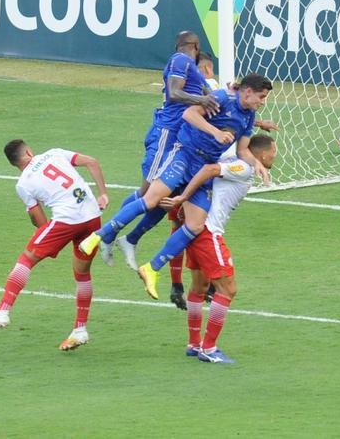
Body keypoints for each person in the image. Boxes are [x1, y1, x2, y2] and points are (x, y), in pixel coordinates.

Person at [80, 73, 273, 299]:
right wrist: (215, 132)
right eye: (261, 96)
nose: (263, 101)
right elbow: (189, 113)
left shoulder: (249, 117)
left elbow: (242, 150)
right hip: (184, 155)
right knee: (151, 200)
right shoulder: (222, 98)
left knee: (195, 225)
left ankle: (151, 268)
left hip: (204, 165)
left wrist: (257, 163)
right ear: (247, 91)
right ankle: (98, 236)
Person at [0, 140, 110, 352]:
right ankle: (80, 330)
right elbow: (92, 162)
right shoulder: (55, 153)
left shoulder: (23, 184)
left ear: (14, 163)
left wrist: (51, 238)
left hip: (67, 219)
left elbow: (40, 220)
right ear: (29, 151)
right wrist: (103, 194)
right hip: (93, 216)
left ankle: (2, 312)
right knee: (82, 273)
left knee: (27, 258)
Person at [110, 31, 220, 276]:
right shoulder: (182, 62)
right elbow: (174, 93)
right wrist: (203, 99)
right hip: (167, 135)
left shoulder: (192, 71)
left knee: (162, 201)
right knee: (148, 194)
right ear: (196, 46)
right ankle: (110, 234)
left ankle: (130, 238)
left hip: (182, 143)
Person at [161, 134, 278, 364]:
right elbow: (210, 170)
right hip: (208, 233)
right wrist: (183, 196)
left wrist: (255, 123)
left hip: (194, 229)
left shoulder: (232, 155)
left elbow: (235, 133)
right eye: (274, 151)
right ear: (262, 154)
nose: (275, 155)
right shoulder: (243, 167)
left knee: (199, 286)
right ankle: (209, 348)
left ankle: (194, 344)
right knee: (227, 289)